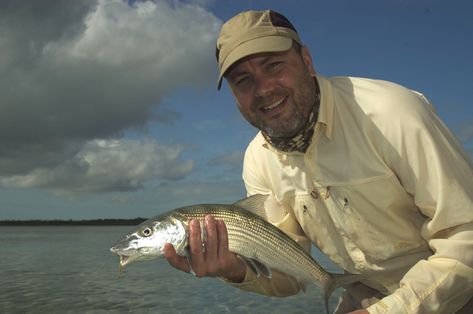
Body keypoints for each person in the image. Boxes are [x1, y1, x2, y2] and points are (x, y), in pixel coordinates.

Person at [164, 9, 473, 313]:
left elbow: (466, 236)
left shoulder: (391, 113)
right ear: (235, 97)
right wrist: (234, 268)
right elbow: (289, 276)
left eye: (274, 66)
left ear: (307, 62)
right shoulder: (257, 160)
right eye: (243, 81)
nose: (264, 89)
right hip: (366, 294)